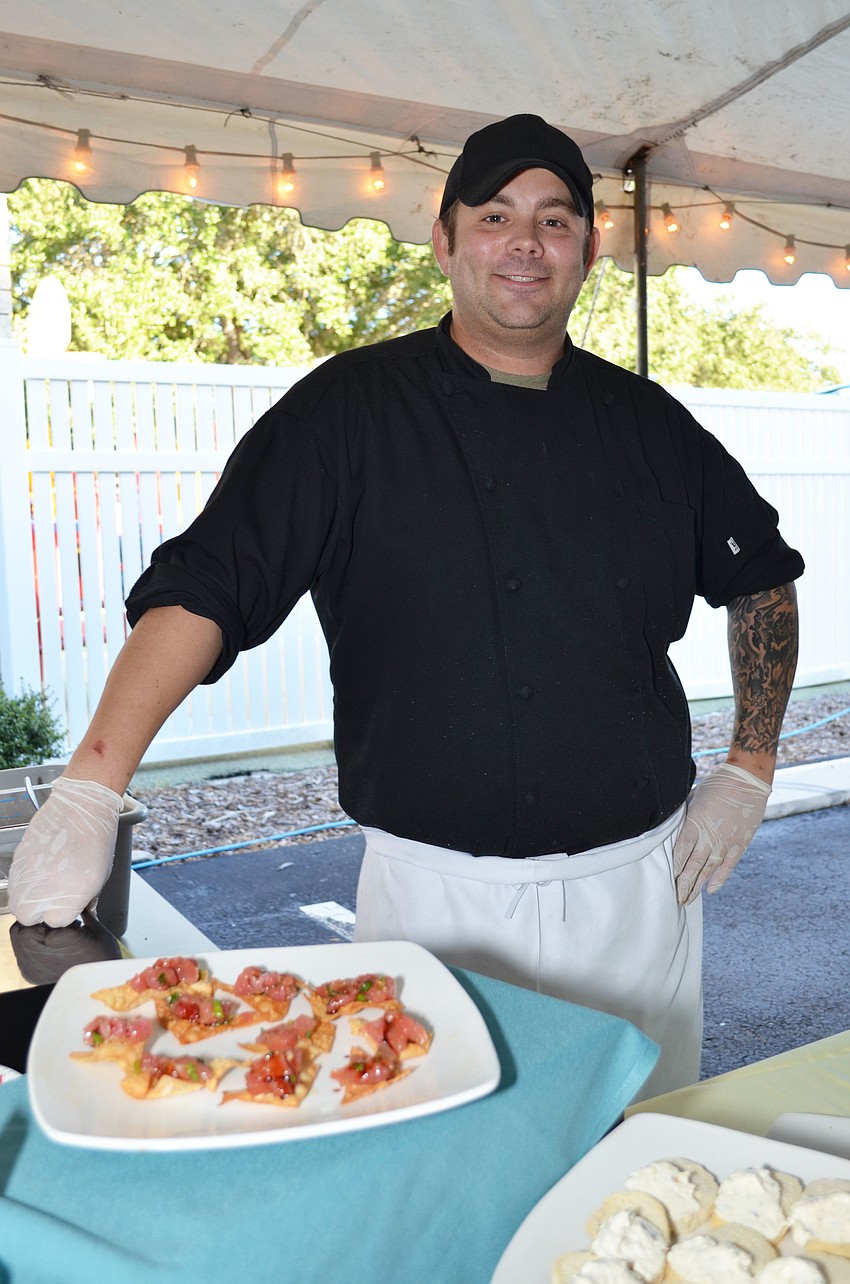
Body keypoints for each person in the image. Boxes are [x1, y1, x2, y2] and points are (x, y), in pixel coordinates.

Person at [9, 114, 802, 1098]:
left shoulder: (651, 427)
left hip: (635, 891)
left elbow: (760, 578)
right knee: (436, 1176)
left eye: (556, 221)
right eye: (496, 215)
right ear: (444, 238)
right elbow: (205, 588)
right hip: (431, 899)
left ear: (589, 250)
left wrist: (751, 767)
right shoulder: (347, 413)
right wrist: (90, 786)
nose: (526, 242)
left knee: (631, 1155)